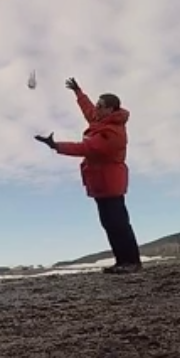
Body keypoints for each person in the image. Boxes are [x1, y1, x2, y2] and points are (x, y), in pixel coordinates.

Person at [35, 77, 143, 274]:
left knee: (118, 223)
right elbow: (88, 110)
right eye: (98, 104)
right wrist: (78, 92)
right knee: (109, 224)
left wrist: (56, 145)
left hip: (110, 183)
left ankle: (132, 262)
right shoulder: (101, 120)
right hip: (100, 183)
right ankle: (122, 261)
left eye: (101, 106)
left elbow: (85, 148)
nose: (96, 108)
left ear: (111, 109)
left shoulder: (113, 133)